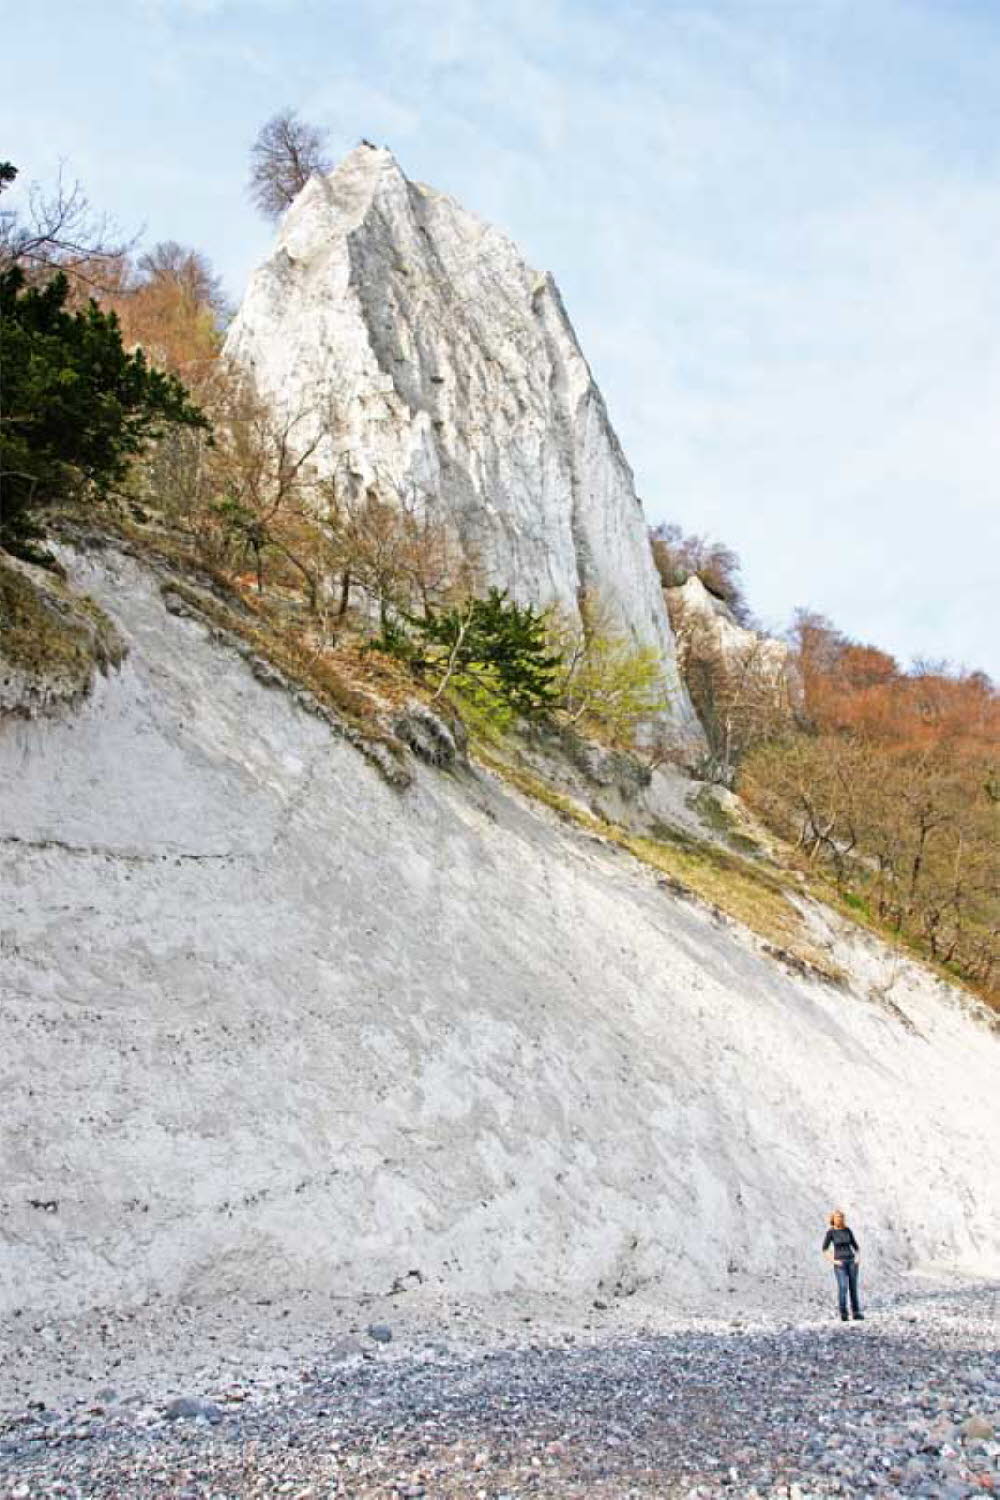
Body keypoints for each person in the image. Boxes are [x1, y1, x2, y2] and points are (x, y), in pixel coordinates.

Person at [822, 1209, 864, 1322]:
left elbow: (856, 1247)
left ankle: (856, 1312)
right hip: (840, 1263)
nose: (839, 1219)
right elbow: (824, 1249)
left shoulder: (847, 1230)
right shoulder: (831, 1232)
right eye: (837, 1217)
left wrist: (858, 1259)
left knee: (853, 1288)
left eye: (841, 1217)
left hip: (851, 1261)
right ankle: (843, 1313)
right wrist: (833, 1261)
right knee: (843, 1287)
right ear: (833, 1219)